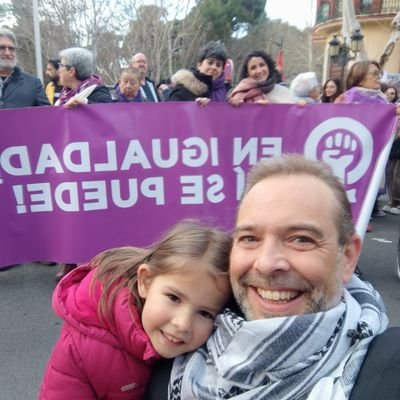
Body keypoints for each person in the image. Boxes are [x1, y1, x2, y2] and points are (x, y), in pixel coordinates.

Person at [144, 154, 398, 400]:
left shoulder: (388, 368)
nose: (266, 264)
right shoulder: (172, 348)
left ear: (348, 257)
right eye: (250, 238)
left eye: (301, 239)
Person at [39, 219, 231, 399]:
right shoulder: (82, 349)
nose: (183, 324)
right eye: (174, 298)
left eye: (205, 313)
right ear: (145, 281)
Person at [336, 60, 393, 221]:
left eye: (379, 74)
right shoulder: (349, 98)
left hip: (372, 156)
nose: (378, 78)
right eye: (374, 74)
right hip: (352, 158)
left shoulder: (381, 99)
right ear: (360, 78)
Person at [0, 27, 49, 109]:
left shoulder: (33, 84)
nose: (7, 53)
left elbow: (47, 115)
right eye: (2, 48)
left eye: (11, 49)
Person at [168, 41, 228, 105]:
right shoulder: (182, 90)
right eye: (210, 62)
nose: (214, 67)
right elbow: (171, 113)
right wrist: (195, 106)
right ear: (199, 64)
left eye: (218, 65)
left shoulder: (228, 93)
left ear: (222, 69)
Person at [228, 50, 296, 105]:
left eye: (262, 65)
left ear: (268, 67)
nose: (259, 71)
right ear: (247, 74)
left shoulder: (282, 92)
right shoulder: (237, 94)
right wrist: (237, 107)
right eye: (253, 68)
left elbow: (292, 116)